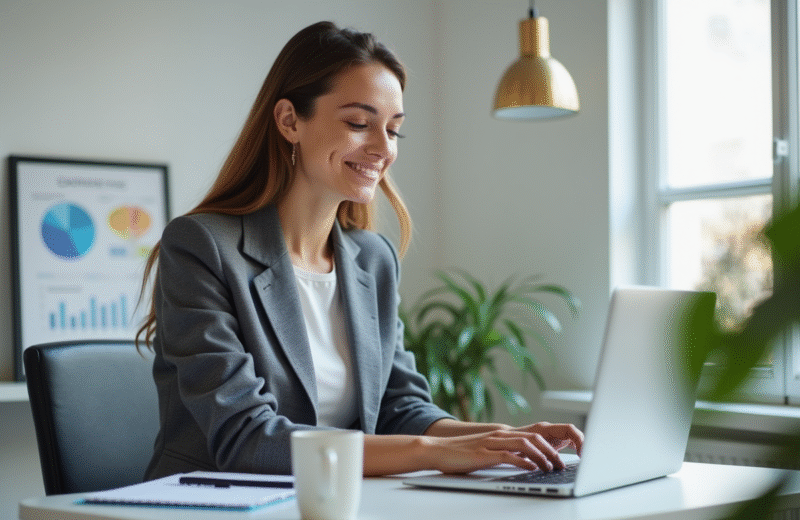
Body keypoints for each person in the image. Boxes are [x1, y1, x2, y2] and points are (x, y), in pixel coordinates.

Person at [137, 20, 583, 480]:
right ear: (289, 121)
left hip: (334, 499)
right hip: (215, 502)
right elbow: (247, 439)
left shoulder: (373, 259)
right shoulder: (202, 247)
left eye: (394, 130)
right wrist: (432, 452)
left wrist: (503, 437)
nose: (383, 148)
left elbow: (400, 407)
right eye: (358, 123)